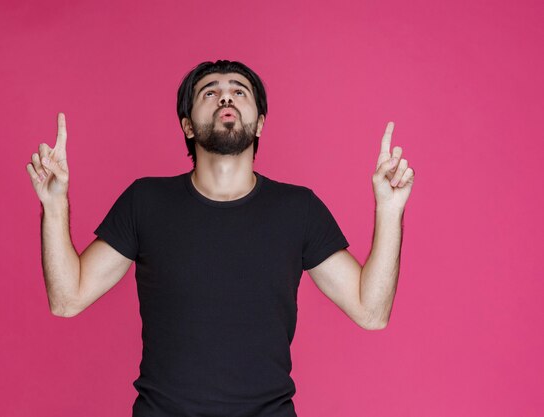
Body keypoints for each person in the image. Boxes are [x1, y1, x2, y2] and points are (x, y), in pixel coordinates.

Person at [26, 60, 415, 417]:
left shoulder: (298, 209)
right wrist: (54, 204)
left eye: (239, 91)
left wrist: (390, 209)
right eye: (209, 92)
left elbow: (371, 310)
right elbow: (67, 299)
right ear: (187, 125)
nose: (225, 96)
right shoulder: (145, 201)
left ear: (260, 124)